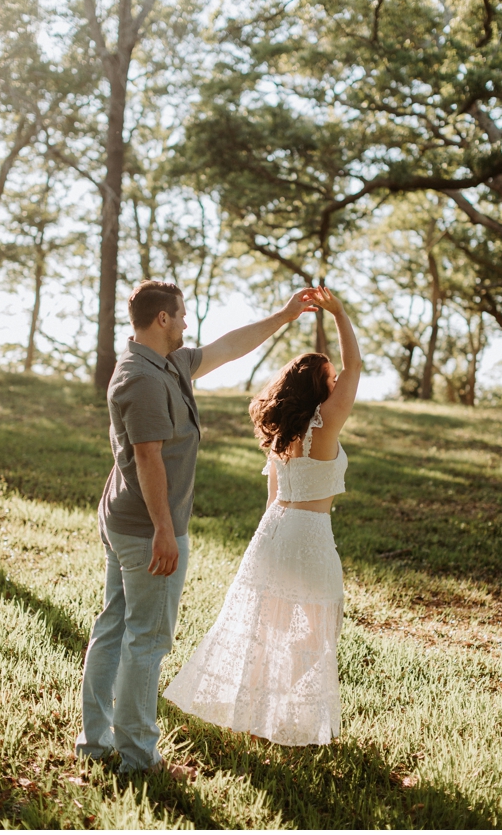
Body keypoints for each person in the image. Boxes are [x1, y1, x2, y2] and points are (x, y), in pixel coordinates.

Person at [75, 280, 318, 777]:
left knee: (115, 627)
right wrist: (164, 530)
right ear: (161, 319)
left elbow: (228, 347)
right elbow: (148, 459)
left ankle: (96, 744)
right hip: (146, 527)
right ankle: (139, 759)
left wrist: (284, 315)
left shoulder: (168, 364)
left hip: (126, 519)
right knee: (146, 639)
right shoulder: (140, 378)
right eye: (181, 315)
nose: (187, 323)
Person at [163, 286, 360, 746]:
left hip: (272, 532)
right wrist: (340, 313)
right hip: (311, 536)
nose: (337, 386)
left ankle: (253, 717)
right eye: (329, 381)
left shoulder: (282, 436)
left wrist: (262, 546)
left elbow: (271, 499)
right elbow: (355, 367)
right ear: (318, 388)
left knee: (265, 631)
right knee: (318, 631)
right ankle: (276, 715)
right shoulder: (324, 424)